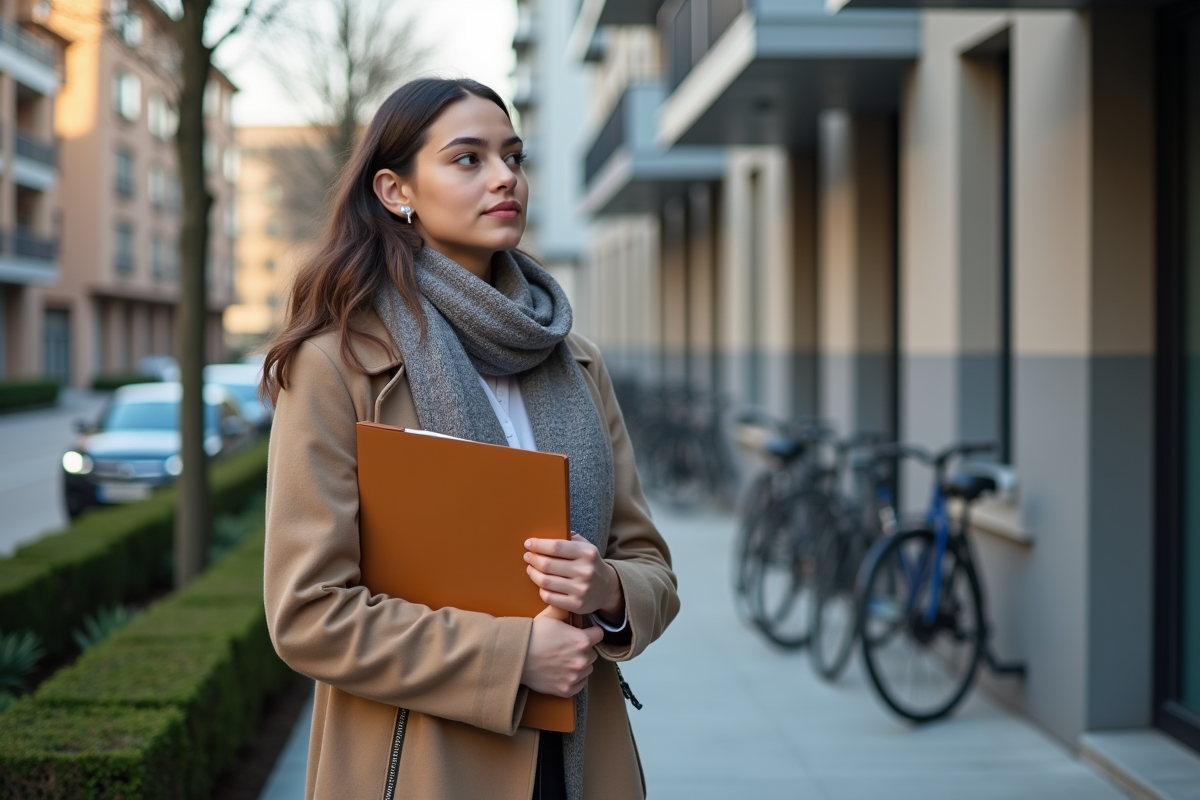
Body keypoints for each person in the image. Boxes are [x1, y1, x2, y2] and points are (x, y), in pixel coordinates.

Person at [260, 77, 680, 800]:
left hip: (581, 757)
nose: (504, 178)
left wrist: (608, 589)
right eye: (468, 159)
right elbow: (308, 612)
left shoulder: (575, 359)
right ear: (397, 191)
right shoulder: (337, 365)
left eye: (513, 157)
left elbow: (649, 563)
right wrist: (513, 656)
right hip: (425, 764)